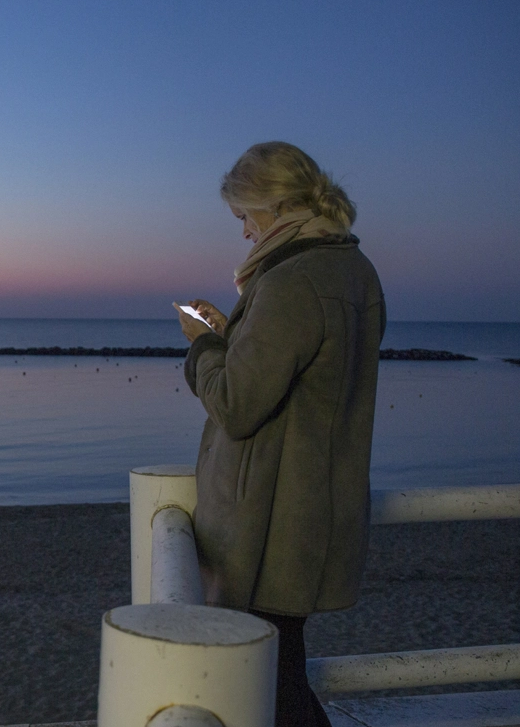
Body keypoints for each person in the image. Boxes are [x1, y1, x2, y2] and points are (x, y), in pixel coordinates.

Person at [172, 141, 384, 727]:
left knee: (274, 685)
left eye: (245, 216)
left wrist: (203, 348)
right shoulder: (352, 268)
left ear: (273, 205)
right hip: (313, 508)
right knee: (282, 671)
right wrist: (232, 332)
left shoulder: (295, 279)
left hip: (272, 523)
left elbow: (237, 404)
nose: (243, 233)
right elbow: (303, 381)